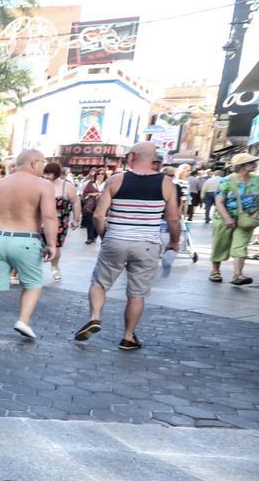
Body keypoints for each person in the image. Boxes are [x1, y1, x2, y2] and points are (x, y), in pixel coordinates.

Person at [74, 142, 180, 350]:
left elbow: (98, 215)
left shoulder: (116, 180)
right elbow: (174, 218)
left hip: (116, 239)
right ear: (154, 159)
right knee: (137, 293)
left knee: (100, 283)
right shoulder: (166, 183)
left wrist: (106, 236)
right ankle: (128, 336)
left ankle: (95, 317)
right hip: (147, 244)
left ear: (131, 157)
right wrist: (174, 242)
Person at [0, 149, 58, 340]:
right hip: (26, 239)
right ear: (34, 163)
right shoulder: (43, 185)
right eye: (42, 163)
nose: (43, 167)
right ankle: (23, 320)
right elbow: (49, 216)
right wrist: (52, 244)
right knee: (32, 284)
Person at [210, 152, 259, 285]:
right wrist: (227, 218)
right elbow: (219, 202)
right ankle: (215, 271)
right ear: (241, 165)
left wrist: (255, 214)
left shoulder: (256, 179)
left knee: (241, 246)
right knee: (220, 245)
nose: (255, 164)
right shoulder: (227, 180)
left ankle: (238, 275)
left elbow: (257, 197)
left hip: (246, 219)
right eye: (251, 162)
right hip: (223, 218)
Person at [44, 162, 81, 281]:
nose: (46, 176)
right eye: (45, 173)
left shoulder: (66, 186)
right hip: (40, 221)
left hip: (59, 222)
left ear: (56, 174)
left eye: (49, 174)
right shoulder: (40, 184)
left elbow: (75, 202)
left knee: (56, 246)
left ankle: (55, 267)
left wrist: (76, 219)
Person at [81, 168, 108, 244]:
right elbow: (85, 193)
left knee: (98, 220)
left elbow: (110, 194)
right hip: (91, 205)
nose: (100, 175)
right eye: (98, 173)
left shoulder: (107, 184)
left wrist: (101, 194)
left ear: (104, 175)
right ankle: (90, 237)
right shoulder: (90, 183)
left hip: (102, 205)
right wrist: (92, 194)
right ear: (96, 175)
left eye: (102, 174)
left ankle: (95, 236)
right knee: (90, 221)